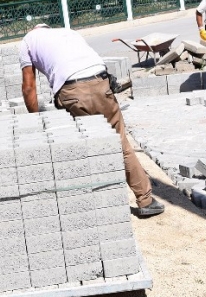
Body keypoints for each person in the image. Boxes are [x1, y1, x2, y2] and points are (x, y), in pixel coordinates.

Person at [18, 24, 164, 217]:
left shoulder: (27, 41)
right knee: (121, 144)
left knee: (84, 146)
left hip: (72, 91)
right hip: (101, 82)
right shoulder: (67, 32)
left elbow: (29, 87)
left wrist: (35, 119)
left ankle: (94, 203)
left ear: (33, 30)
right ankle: (146, 200)